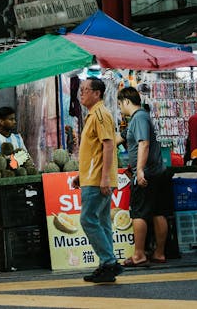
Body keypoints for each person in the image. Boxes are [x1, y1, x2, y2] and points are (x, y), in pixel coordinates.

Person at [73, 77, 120, 283]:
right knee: (102, 222)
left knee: (88, 219)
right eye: (81, 90)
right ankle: (106, 265)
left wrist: (105, 178)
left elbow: (108, 146)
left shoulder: (100, 114)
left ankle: (109, 262)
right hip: (91, 177)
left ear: (97, 93)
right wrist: (80, 176)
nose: (81, 93)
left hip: (97, 180)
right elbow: (95, 151)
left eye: (85, 90)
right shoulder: (94, 114)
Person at [117, 86, 170, 267]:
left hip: (146, 174)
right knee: (158, 212)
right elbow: (119, 138)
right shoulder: (139, 118)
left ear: (126, 101)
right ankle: (159, 253)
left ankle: (139, 254)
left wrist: (139, 170)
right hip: (158, 172)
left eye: (119, 104)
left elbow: (144, 144)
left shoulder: (138, 118)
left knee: (138, 213)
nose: (119, 108)